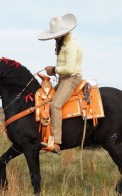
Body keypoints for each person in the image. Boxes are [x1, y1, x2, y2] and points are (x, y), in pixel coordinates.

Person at [38, 13, 83, 152]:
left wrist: (54, 69)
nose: (55, 38)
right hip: (64, 78)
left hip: (71, 79)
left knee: (55, 105)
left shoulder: (70, 46)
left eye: (56, 36)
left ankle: (56, 142)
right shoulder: (64, 43)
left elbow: (69, 69)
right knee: (47, 100)